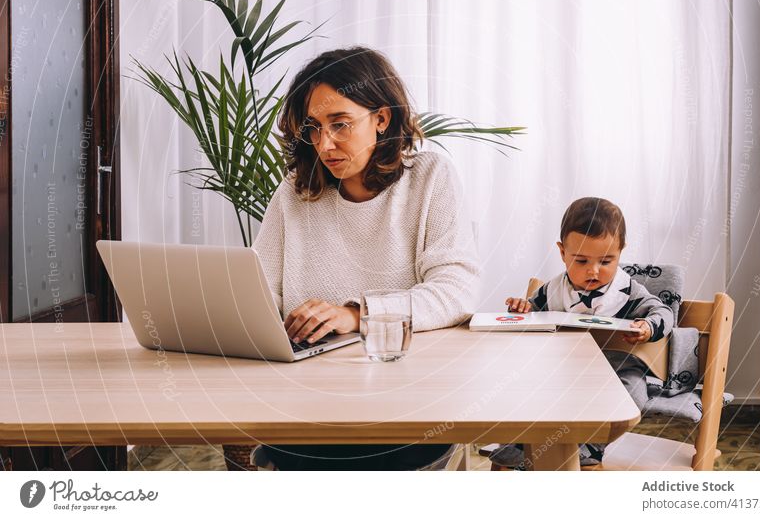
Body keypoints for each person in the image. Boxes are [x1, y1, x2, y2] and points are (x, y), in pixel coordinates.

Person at [249, 46, 480, 470]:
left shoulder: (430, 177)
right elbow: (256, 290)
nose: (326, 144)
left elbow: (458, 289)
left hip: (406, 409)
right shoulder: (295, 192)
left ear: (381, 118)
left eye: (340, 125)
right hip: (306, 407)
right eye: (314, 129)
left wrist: (359, 314)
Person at [494, 197, 674, 467]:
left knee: (632, 390)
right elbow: (532, 313)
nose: (594, 270)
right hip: (564, 372)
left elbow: (663, 312)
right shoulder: (552, 289)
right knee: (523, 386)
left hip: (615, 370)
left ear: (621, 252)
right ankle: (521, 443)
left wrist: (648, 326)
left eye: (606, 260)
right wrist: (522, 308)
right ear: (562, 252)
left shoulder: (628, 292)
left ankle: (591, 445)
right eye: (581, 261)